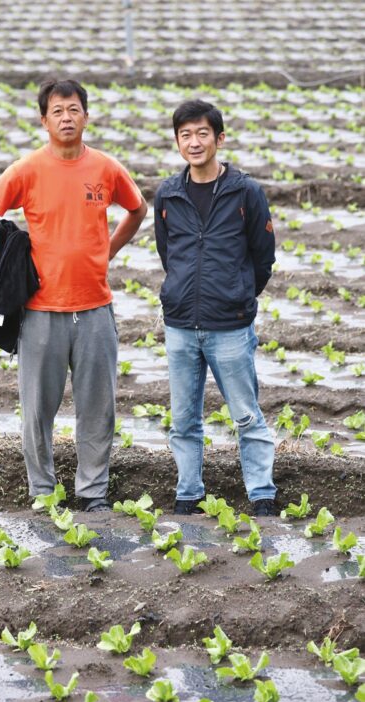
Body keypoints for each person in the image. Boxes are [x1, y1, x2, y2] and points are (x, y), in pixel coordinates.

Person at [0, 79, 147, 511]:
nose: (67, 117)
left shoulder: (105, 168)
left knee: (97, 410)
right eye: (58, 111)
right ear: (43, 119)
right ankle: (42, 493)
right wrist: (7, 264)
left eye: (74, 109)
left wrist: (109, 250)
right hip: (41, 311)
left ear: (86, 115)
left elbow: (137, 209)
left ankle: (93, 494)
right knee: (36, 412)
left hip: (95, 309)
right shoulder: (26, 169)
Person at [154, 98, 277, 516]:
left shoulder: (246, 191)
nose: (194, 142)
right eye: (185, 135)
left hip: (230, 325)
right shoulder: (169, 194)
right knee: (184, 420)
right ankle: (188, 494)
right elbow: (167, 252)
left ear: (219, 139)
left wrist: (238, 293)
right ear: (177, 142)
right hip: (181, 325)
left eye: (202, 133)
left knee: (246, 414)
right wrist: (183, 291)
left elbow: (263, 258)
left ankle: (262, 494)